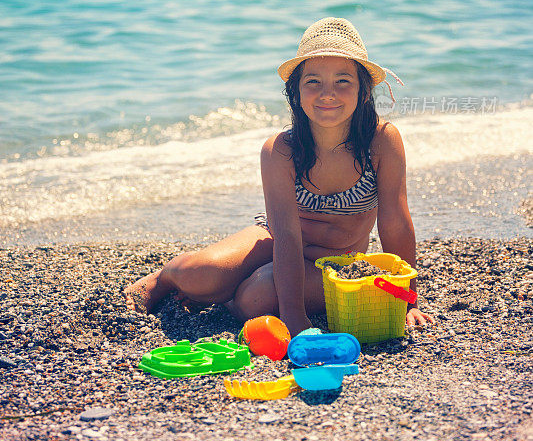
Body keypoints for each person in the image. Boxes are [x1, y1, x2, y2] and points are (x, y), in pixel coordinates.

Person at [125, 17, 434, 336]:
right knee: (199, 275)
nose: (328, 93)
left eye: (343, 81)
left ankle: (230, 296)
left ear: (364, 92)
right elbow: (286, 235)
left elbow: (396, 222)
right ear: (295, 92)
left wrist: (407, 300)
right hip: (275, 237)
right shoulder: (281, 150)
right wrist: (293, 315)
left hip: (336, 259)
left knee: (255, 298)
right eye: (313, 81)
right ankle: (163, 280)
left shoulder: (380, 141)